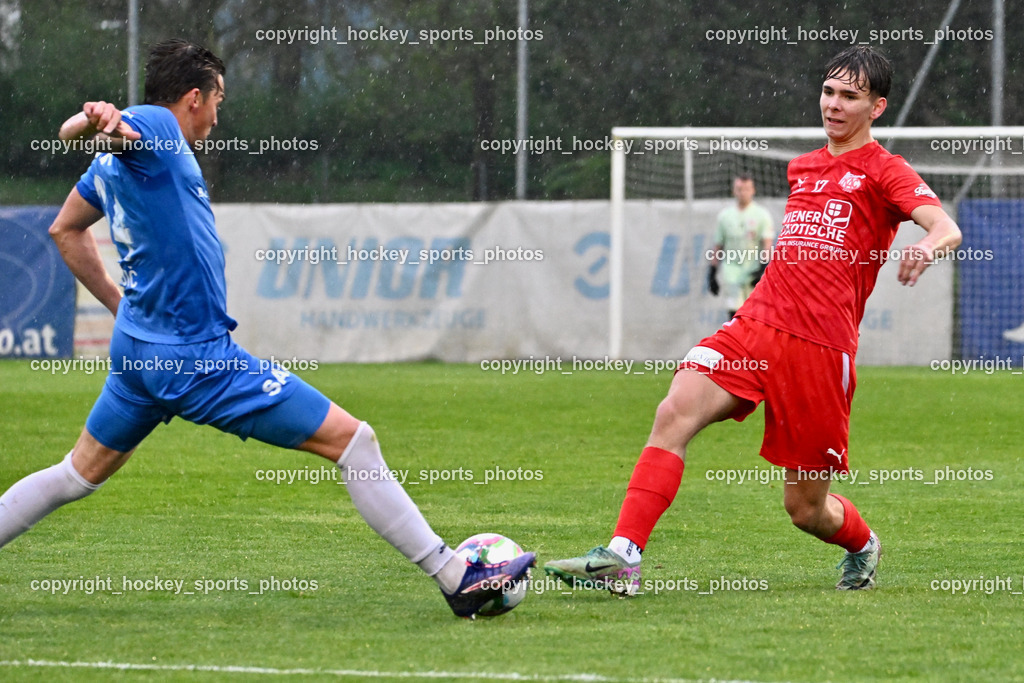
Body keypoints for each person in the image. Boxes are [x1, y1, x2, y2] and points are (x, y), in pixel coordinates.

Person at [0, 39, 533, 618]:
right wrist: (98, 120)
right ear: (194, 99)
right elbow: (99, 131)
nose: (218, 117)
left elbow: (65, 230)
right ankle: (457, 577)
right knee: (354, 441)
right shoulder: (157, 127)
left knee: (76, 475)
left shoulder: (117, 163)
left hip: (138, 355)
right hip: (195, 359)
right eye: (218, 102)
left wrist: (119, 305)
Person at [545, 45, 962, 594]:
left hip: (819, 346)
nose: (833, 105)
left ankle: (862, 544)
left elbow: (946, 226)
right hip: (754, 324)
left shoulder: (887, 171)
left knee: (805, 509)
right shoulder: (804, 167)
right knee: (674, 412)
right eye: (828, 91)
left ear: (877, 107)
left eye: (849, 97)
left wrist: (928, 246)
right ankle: (624, 557)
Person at [706, 174, 775, 319]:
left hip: (753, 273)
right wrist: (712, 272)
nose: (743, 192)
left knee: (754, 316)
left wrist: (763, 268)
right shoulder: (725, 216)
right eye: (739, 189)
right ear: (733, 191)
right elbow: (718, 245)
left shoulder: (762, 215)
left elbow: (767, 246)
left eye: (746, 189)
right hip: (732, 272)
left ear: (753, 190)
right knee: (735, 315)